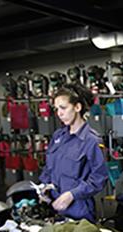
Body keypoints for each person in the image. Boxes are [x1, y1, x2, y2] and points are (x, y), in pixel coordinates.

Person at [39, 83, 108, 222]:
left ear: (77, 107)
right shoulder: (58, 136)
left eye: (63, 108)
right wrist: (43, 187)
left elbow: (99, 178)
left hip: (79, 212)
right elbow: (49, 169)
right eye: (56, 109)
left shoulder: (91, 140)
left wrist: (72, 195)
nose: (59, 113)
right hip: (54, 208)